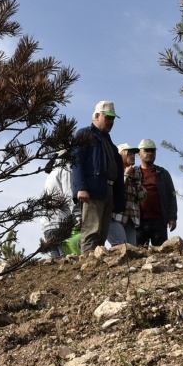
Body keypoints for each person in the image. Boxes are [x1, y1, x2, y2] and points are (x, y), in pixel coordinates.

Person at [71, 101, 123, 253]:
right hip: (92, 191)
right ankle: (86, 267)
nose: (111, 122)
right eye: (108, 118)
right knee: (91, 232)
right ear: (97, 116)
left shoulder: (109, 143)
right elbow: (76, 162)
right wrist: (81, 187)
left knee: (102, 234)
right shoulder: (84, 134)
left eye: (113, 118)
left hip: (108, 190)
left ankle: (96, 268)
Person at [136, 139, 178, 246]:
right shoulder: (134, 173)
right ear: (139, 154)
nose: (150, 153)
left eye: (153, 151)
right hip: (139, 223)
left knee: (161, 255)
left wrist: (172, 218)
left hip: (159, 222)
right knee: (138, 256)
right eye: (146, 151)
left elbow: (172, 196)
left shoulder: (163, 173)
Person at [39, 160, 76, 258]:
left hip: (47, 222)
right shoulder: (65, 168)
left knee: (55, 260)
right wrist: (78, 214)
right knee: (65, 258)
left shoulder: (52, 171)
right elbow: (69, 194)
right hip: (60, 221)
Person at [109, 143, 143, 246]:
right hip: (115, 218)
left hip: (131, 220)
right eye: (129, 153)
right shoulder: (114, 170)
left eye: (133, 154)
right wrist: (126, 175)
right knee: (120, 246)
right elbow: (115, 190)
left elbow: (142, 196)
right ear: (120, 155)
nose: (132, 156)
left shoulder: (135, 174)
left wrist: (136, 179)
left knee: (132, 250)